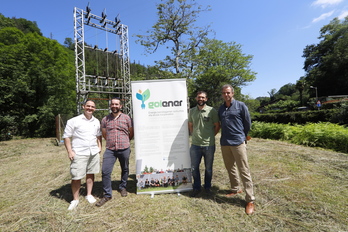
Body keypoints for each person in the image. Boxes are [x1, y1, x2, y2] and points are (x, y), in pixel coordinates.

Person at [218, 84, 255, 215]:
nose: (226, 95)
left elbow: (247, 123)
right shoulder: (221, 108)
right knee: (230, 167)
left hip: (238, 142)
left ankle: (250, 199)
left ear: (232, 93)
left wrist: (242, 136)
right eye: (224, 93)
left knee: (244, 169)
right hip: (225, 142)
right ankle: (235, 188)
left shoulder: (241, 106)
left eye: (228, 92)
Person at [63, 100, 102, 210]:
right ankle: (75, 199)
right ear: (83, 106)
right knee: (76, 176)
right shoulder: (74, 121)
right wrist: (70, 151)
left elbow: (98, 135)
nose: (90, 108)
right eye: (88, 106)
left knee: (91, 173)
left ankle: (89, 194)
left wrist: (99, 147)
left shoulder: (96, 121)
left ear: (95, 108)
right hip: (79, 152)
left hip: (93, 152)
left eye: (92, 107)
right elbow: (66, 137)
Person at [96, 97, 134, 207]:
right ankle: (107, 194)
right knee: (105, 171)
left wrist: (126, 141)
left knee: (125, 168)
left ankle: (123, 187)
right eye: (112, 104)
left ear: (120, 106)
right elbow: (104, 134)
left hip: (124, 147)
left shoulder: (127, 118)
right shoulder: (105, 120)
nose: (114, 106)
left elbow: (131, 133)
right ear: (110, 106)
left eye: (117, 104)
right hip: (110, 150)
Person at [188, 91, 220, 197]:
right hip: (195, 145)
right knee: (194, 168)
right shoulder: (192, 111)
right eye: (199, 97)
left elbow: (217, 126)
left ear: (206, 99)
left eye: (202, 97)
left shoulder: (212, 111)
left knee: (208, 168)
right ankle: (196, 187)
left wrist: (210, 136)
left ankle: (207, 187)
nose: (200, 99)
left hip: (208, 145)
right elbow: (190, 125)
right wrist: (194, 135)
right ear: (196, 98)